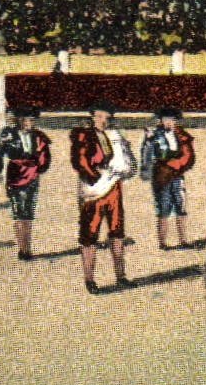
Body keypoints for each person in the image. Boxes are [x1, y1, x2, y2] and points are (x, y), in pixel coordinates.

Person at [71, 103, 135, 293]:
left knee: (117, 232)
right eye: (99, 117)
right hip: (93, 191)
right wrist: (97, 176)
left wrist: (124, 170)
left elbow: (127, 160)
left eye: (106, 118)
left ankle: (121, 276)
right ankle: (89, 279)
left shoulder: (115, 135)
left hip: (114, 188)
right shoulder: (83, 135)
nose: (103, 121)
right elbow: (80, 161)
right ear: (92, 117)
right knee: (90, 235)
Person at [0, 109, 52, 260]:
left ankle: (28, 248)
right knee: (18, 212)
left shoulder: (37, 135)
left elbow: (45, 154)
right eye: (26, 121)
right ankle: (21, 248)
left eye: (31, 121)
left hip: (32, 174)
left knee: (29, 212)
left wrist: (40, 168)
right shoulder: (8, 133)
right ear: (19, 121)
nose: (29, 124)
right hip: (15, 174)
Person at [140, 107, 196, 249]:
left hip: (177, 176)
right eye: (166, 119)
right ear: (161, 121)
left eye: (171, 120)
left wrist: (177, 165)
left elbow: (188, 156)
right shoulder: (153, 136)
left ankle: (183, 240)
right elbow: (147, 156)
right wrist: (147, 142)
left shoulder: (182, 135)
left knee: (180, 206)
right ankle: (162, 242)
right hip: (162, 176)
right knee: (163, 209)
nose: (169, 123)